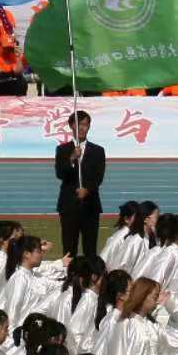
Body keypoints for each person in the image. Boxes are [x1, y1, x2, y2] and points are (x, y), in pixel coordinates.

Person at [53, 111, 106, 262]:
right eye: (79, 124)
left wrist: (87, 190)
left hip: (91, 206)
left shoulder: (98, 151)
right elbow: (60, 174)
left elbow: (98, 177)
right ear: (71, 126)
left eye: (85, 124)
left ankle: (91, 274)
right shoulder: (62, 149)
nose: (82, 128)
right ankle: (69, 275)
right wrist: (71, 158)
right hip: (69, 205)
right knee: (69, 249)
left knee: (90, 249)